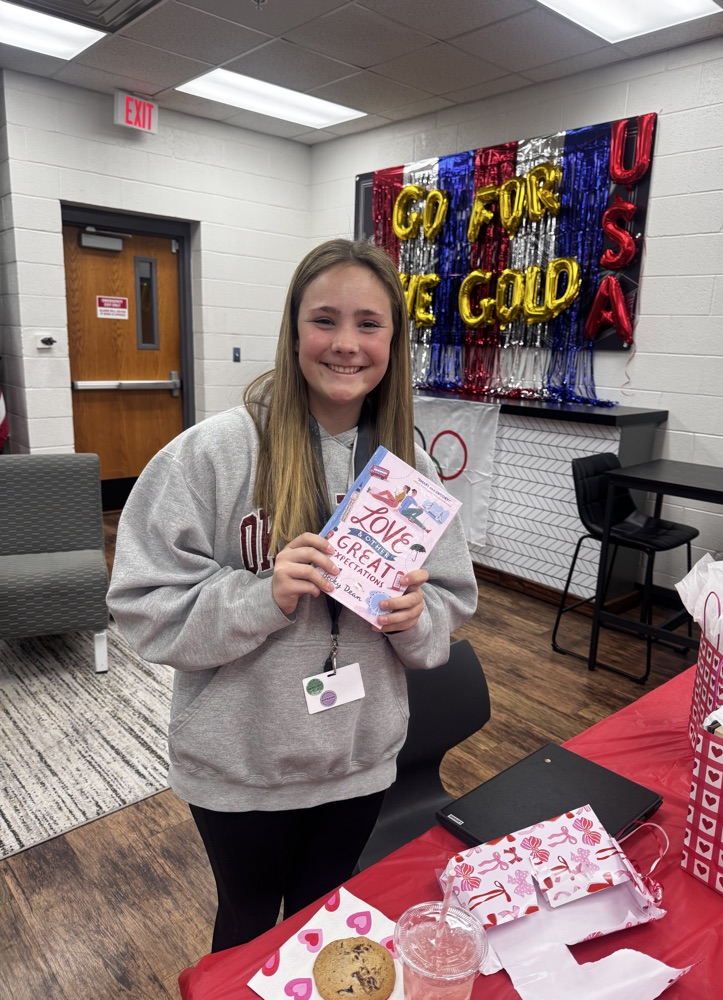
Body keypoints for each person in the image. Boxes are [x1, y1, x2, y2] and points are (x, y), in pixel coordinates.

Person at [107, 238, 477, 953]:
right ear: (293, 328)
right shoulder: (213, 454)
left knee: (322, 929)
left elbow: (450, 609)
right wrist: (260, 598)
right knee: (249, 932)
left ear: (393, 341)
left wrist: (412, 619)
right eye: (325, 320)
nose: (346, 344)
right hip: (240, 767)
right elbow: (141, 607)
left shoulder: (410, 468)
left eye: (369, 324)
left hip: (358, 762)